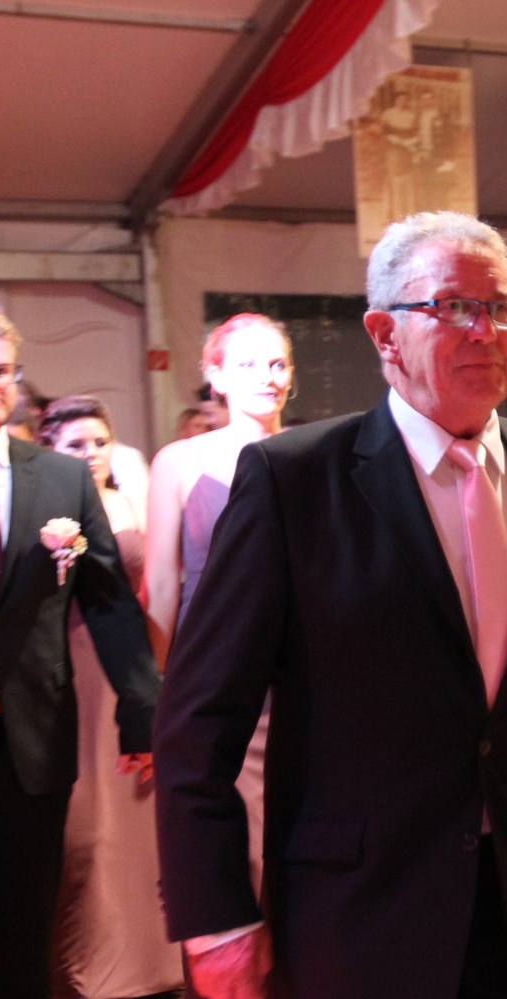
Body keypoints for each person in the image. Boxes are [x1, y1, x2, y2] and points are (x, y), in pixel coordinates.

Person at [152, 213, 507, 999]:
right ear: (384, 334)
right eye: (453, 307)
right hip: (356, 911)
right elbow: (200, 719)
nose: (485, 330)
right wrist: (216, 917)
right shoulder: (295, 481)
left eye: (501, 307)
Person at [0, 306, 157, 997]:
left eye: (3, 370)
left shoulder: (61, 478)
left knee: (25, 920)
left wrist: (141, 706)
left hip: (32, 737)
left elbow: (108, 601)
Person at [144, 314, 293, 927]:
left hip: (303, 675)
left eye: (278, 364)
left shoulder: (316, 453)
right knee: (231, 843)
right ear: (217, 377)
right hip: (214, 675)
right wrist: (162, 689)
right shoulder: (180, 461)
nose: (267, 377)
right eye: (249, 364)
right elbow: (161, 584)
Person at [40, 397, 180, 998]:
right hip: (73, 662)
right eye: (76, 445)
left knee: (141, 813)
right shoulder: (45, 506)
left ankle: (153, 960)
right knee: (87, 819)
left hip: (134, 663)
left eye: (99, 442)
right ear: (51, 449)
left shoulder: (131, 501)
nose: (91, 454)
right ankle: (87, 962)